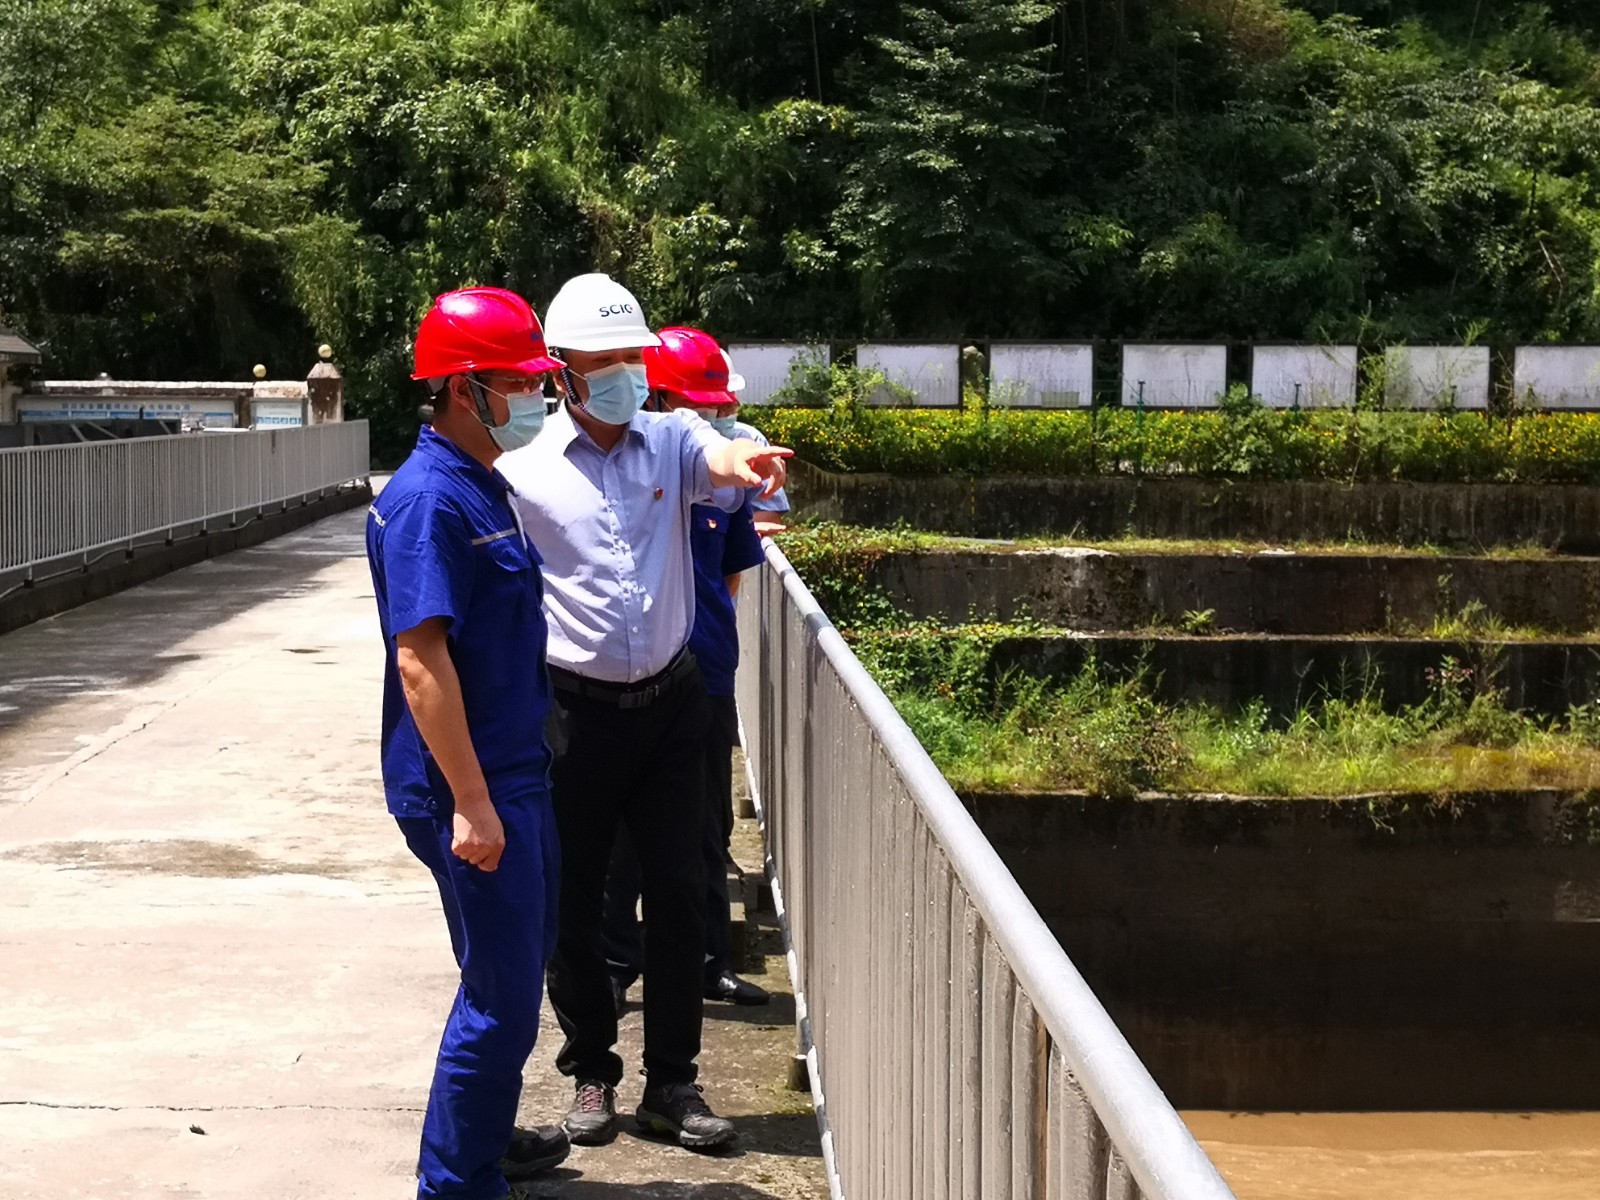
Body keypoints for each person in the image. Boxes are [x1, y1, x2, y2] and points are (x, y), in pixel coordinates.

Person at [497, 274, 791, 1153]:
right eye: (607, 360)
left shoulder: (670, 438)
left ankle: (672, 1082)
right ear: (564, 371)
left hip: (670, 706)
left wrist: (746, 465)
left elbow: (719, 459)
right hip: (573, 716)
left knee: (677, 896)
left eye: (634, 357)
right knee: (576, 904)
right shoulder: (523, 467)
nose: (627, 373)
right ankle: (591, 1070)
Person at [365, 287, 568, 1199]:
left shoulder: (481, 481)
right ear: (461, 388)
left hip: (512, 771)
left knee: (510, 972)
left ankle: (484, 1134)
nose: (535, 397)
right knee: (501, 996)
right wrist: (474, 803)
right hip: (473, 784)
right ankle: (455, 1183)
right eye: (517, 383)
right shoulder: (428, 502)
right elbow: (420, 661)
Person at [601, 328, 772, 1011]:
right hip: (633, 678)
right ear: (658, 400)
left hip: (706, 673)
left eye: (718, 407)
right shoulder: (628, 475)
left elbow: (731, 572)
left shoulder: (722, 486)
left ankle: (708, 961)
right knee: (620, 835)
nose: (712, 419)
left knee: (705, 828)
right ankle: (617, 961)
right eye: (698, 406)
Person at [721, 348, 791, 537]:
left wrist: (732, 535)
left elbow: (768, 514)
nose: (722, 414)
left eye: (729, 406)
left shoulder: (750, 438)